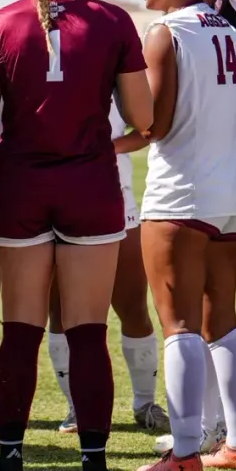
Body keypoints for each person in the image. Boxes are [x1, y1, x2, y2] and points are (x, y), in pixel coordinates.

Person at [0, 0, 152, 471]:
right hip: (90, 187)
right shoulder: (113, 20)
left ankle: (11, 466)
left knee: (19, 331)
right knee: (88, 331)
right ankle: (93, 469)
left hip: (19, 188)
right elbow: (143, 118)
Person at [125, 0, 236, 471]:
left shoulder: (165, 32)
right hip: (228, 194)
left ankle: (183, 456)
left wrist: (98, 142)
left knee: (177, 324)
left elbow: (155, 122)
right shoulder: (226, 26)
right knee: (221, 321)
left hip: (181, 194)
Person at [45, 100, 168, 436]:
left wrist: (107, 148)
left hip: (115, 193)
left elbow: (150, 128)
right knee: (60, 310)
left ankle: (145, 403)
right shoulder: (35, 53)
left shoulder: (113, 54)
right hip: (50, 196)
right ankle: (76, 406)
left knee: (132, 306)